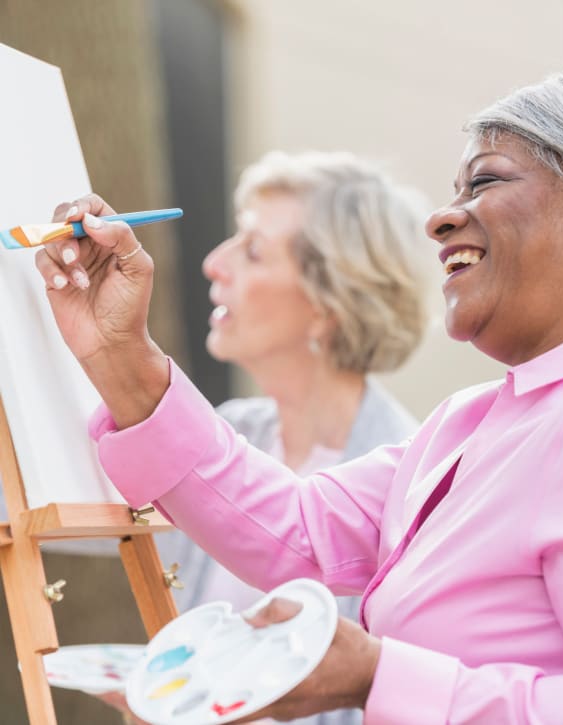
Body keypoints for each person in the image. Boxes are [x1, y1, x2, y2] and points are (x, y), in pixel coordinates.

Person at [36, 65, 563, 723]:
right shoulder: (472, 421)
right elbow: (295, 528)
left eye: (487, 181)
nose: (443, 219)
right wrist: (117, 351)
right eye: (455, 190)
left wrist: (378, 675)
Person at [152, 150, 432, 725]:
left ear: (329, 303)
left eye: (253, 250)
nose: (213, 263)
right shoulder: (228, 433)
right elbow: (46, 499)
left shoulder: (412, 483)